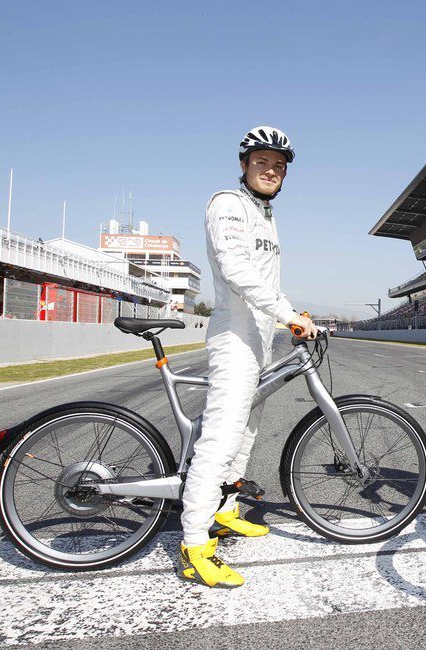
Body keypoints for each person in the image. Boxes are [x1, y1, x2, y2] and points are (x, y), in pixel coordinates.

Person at [179, 126, 317, 588]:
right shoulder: (228, 204)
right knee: (220, 438)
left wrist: (290, 309)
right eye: (262, 163)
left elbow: (269, 282)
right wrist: (287, 313)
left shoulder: (266, 213)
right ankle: (195, 541)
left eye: (278, 166)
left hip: (259, 334)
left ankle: (225, 510)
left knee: (247, 430)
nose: (271, 171)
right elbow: (235, 270)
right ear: (244, 165)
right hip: (234, 334)